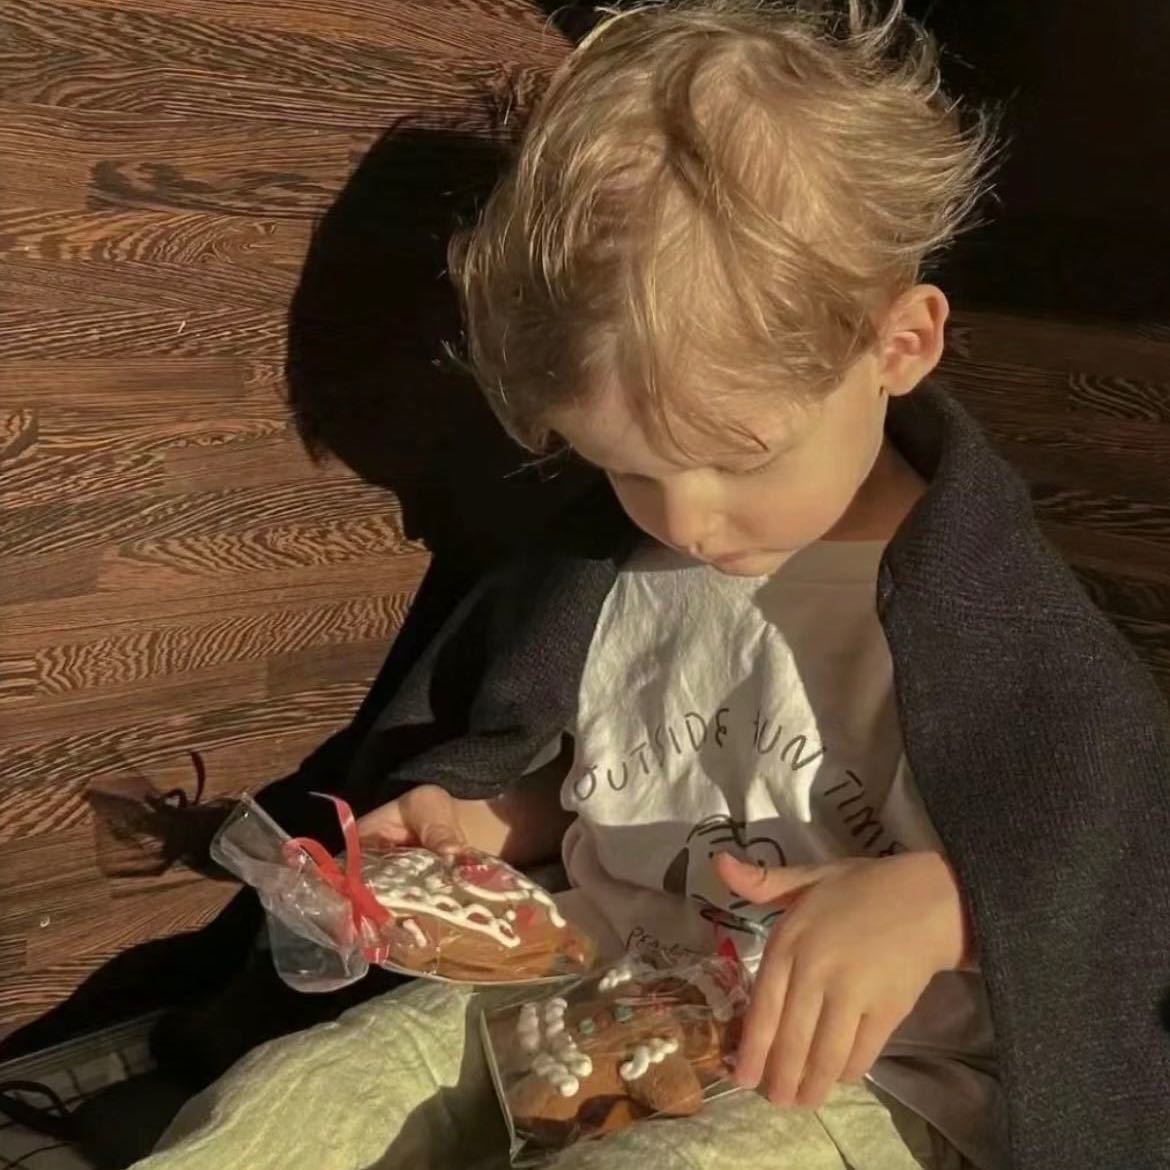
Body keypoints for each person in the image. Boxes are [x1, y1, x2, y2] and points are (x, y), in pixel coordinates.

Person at [136, 4, 1170, 1170]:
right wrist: (476, 822)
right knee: (290, 1100)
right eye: (624, 469)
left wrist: (947, 904)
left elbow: (1125, 860)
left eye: (738, 458)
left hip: (860, 1075)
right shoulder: (601, 575)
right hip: (589, 986)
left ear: (898, 347)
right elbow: (602, 781)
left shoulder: (993, 619)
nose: (683, 520)